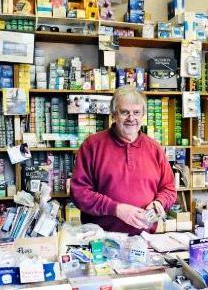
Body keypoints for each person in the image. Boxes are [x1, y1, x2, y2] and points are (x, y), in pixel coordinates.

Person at [71, 85, 176, 235]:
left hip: (144, 240)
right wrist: (116, 209)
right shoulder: (92, 146)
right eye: (125, 112)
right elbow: (79, 193)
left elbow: (169, 188)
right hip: (101, 241)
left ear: (143, 115)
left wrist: (160, 202)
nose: (131, 118)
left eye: (136, 112)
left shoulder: (155, 148)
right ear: (114, 114)